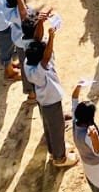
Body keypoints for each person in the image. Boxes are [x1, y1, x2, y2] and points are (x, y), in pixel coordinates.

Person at [22, 21, 78, 168]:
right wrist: (51, 38)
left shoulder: (29, 62)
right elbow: (46, 57)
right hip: (51, 102)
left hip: (44, 101)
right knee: (56, 128)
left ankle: (53, 150)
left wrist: (41, 22)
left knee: (49, 126)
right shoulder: (40, 70)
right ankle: (60, 158)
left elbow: (36, 42)